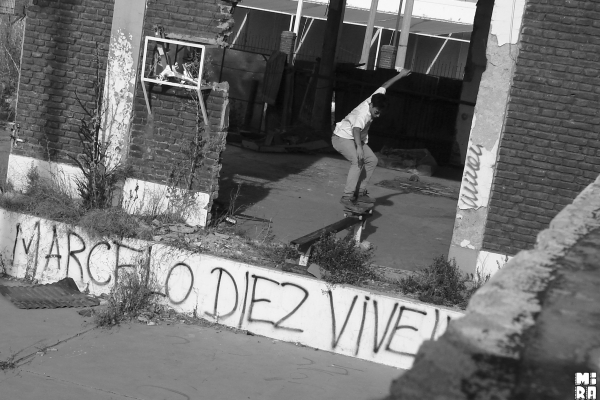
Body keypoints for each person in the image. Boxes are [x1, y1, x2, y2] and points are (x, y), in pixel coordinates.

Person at [332, 68, 412, 207]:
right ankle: (347, 196)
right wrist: (359, 149)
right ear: (371, 106)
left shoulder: (375, 98)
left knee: (372, 160)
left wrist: (401, 75)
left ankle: (360, 192)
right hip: (341, 138)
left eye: (380, 113)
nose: (378, 115)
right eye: (376, 112)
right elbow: (356, 129)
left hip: (352, 138)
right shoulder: (363, 114)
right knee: (358, 160)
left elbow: (385, 84)